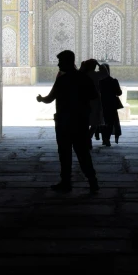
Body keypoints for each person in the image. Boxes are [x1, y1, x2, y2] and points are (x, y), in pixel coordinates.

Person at [37, 50, 99, 194]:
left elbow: (49, 98)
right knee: (83, 153)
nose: (58, 64)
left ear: (68, 62)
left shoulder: (63, 80)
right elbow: (94, 95)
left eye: (60, 62)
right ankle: (92, 181)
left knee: (65, 154)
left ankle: (66, 182)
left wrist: (40, 99)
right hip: (80, 121)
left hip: (64, 122)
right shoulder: (83, 79)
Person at [79, 58, 105, 145]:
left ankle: (86, 139)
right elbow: (105, 73)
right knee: (95, 122)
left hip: (83, 100)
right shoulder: (95, 75)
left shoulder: (82, 74)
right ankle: (88, 138)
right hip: (94, 100)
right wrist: (99, 65)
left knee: (85, 121)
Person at [98, 63, 122, 146]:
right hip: (111, 104)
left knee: (102, 121)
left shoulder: (98, 82)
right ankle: (107, 139)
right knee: (110, 122)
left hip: (101, 104)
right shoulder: (113, 81)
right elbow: (119, 93)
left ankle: (104, 139)